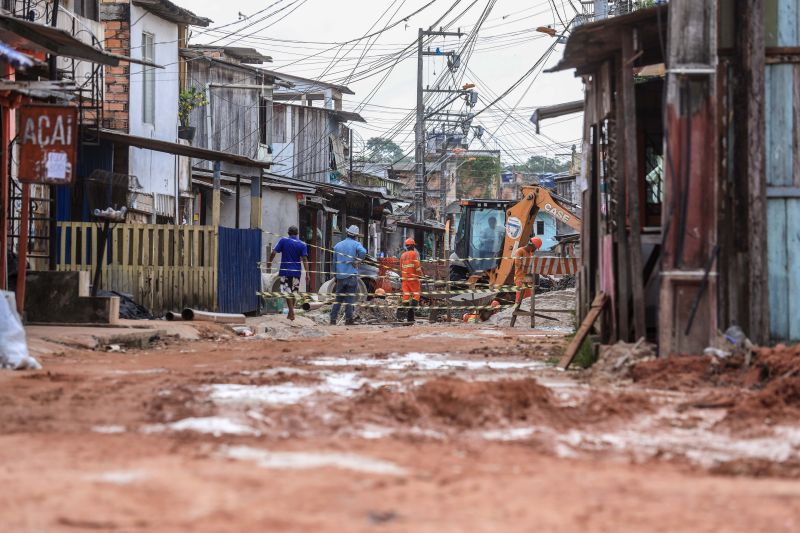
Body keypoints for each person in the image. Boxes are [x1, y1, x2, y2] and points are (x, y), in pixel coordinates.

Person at [268, 226, 309, 321]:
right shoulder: (302, 244)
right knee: (294, 292)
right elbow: (305, 259)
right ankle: (291, 312)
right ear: (297, 233)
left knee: (287, 292)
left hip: (285, 271)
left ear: (288, 232)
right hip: (297, 272)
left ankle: (291, 312)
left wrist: (269, 262)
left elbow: (274, 252)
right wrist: (307, 273)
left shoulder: (283, 240)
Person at [330, 225, 366, 325]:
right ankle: (349, 320)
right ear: (356, 236)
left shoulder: (337, 246)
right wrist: (358, 260)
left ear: (348, 233)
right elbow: (363, 252)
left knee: (338, 299)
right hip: (351, 276)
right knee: (350, 299)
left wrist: (336, 276)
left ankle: (333, 319)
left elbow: (334, 263)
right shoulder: (356, 244)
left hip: (340, 276)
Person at [400, 238, 424, 323]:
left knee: (406, 296)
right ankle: (411, 314)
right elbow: (417, 267)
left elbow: (401, 267)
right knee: (416, 294)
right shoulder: (414, 254)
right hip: (413, 278)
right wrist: (421, 276)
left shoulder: (402, 255)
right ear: (413, 246)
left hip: (405, 279)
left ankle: (402, 315)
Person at [513, 237, 541, 303]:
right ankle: (517, 312)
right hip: (520, 279)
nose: (535, 250)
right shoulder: (519, 251)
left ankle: (526, 312)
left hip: (528, 279)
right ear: (533, 245)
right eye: (536, 248)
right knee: (519, 300)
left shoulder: (530, 253)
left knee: (528, 300)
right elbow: (518, 264)